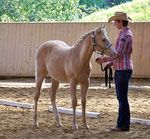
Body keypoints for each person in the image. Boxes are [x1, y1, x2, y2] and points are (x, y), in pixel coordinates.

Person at [96, 12, 133, 132]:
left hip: (123, 70)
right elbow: (120, 56)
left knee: (122, 98)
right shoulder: (124, 33)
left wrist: (104, 59)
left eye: (116, 21)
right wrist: (111, 63)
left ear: (121, 22)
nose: (115, 24)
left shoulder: (125, 36)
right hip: (122, 68)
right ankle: (123, 124)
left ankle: (122, 125)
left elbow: (117, 54)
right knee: (121, 98)